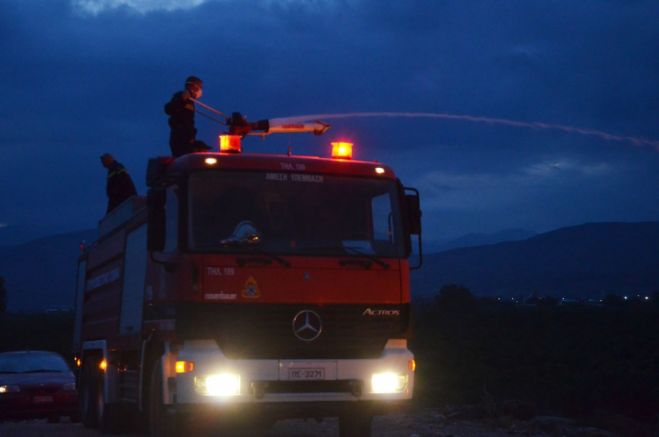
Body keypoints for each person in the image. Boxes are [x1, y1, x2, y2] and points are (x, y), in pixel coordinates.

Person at [164, 75, 211, 157]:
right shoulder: (181, 96)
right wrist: (182, 99)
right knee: (184, 158)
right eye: (200, 87)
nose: (200, 91)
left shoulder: (190, 101)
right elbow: (168, 109)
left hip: (187, 137)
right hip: (180, 137)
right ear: (194, 87)